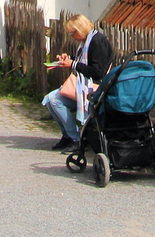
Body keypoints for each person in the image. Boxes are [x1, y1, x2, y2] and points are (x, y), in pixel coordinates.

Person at [41, 14, 113, 151]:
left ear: (81, 29)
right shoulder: (87, 41)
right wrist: (68, 59)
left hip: (95, 90)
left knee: (55, 100)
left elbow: (97, 71)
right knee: (50, 100)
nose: (72, 37)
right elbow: (84, 60)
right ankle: (67, 135)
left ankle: (76, 138)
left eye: (73, 33)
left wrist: (73, 64)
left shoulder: (98, 42)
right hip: (85, 87)